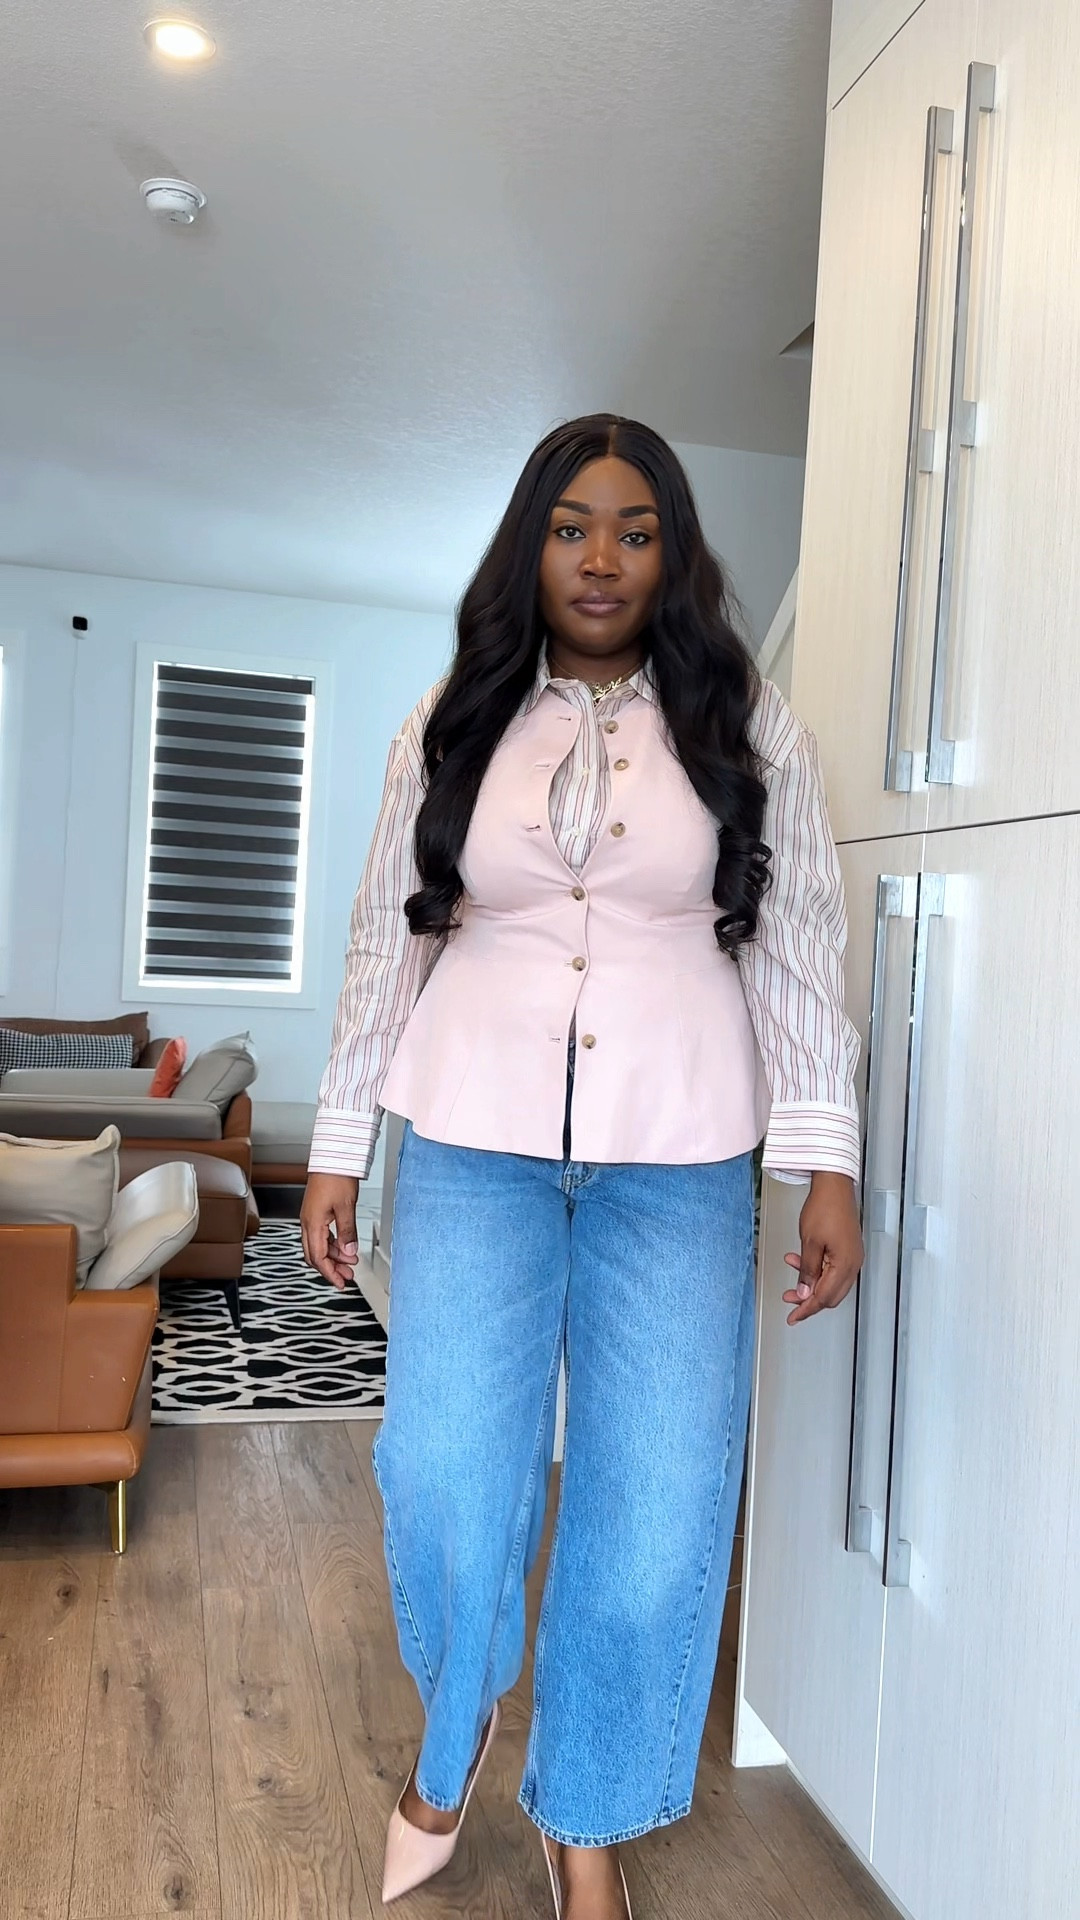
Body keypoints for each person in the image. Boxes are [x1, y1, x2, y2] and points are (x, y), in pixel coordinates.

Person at [301, 413, 863, 1920]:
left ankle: (588, 1815)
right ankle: (459, 1725)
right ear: (529, 548)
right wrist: (340, 1145)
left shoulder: (747, 724)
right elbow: (388, 943)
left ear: (673, 553)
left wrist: (826, 1161)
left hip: (681, 1162)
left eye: (633, 528)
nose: (600, 557)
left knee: (660, 1499)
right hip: (469, 1145)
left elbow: (799, 947)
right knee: (443, 1469)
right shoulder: (451, 719)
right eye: (569, 527)